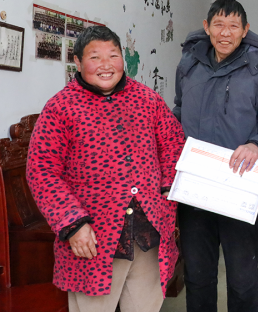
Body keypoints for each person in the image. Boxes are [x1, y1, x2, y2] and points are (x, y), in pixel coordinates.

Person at [26, 26, 185, 312]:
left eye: (113, 55)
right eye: (95, 57)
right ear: (77, 62)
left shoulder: (147, 99)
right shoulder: (60, 107)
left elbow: (173, 143)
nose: (106, 65)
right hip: (93, 238)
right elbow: (42, 170)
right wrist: (73, 224)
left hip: (148, 231)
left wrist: (167, 190)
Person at [173, 0, 258, 312]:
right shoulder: (189, 64)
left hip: (240, 186)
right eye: (219, 24)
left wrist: (257, 146)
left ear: (245, 30)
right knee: (198, 276)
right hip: (196, 187)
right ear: (206, 26)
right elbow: (179, 111)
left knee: (243, 278)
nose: (225, 33)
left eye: (233, 26)